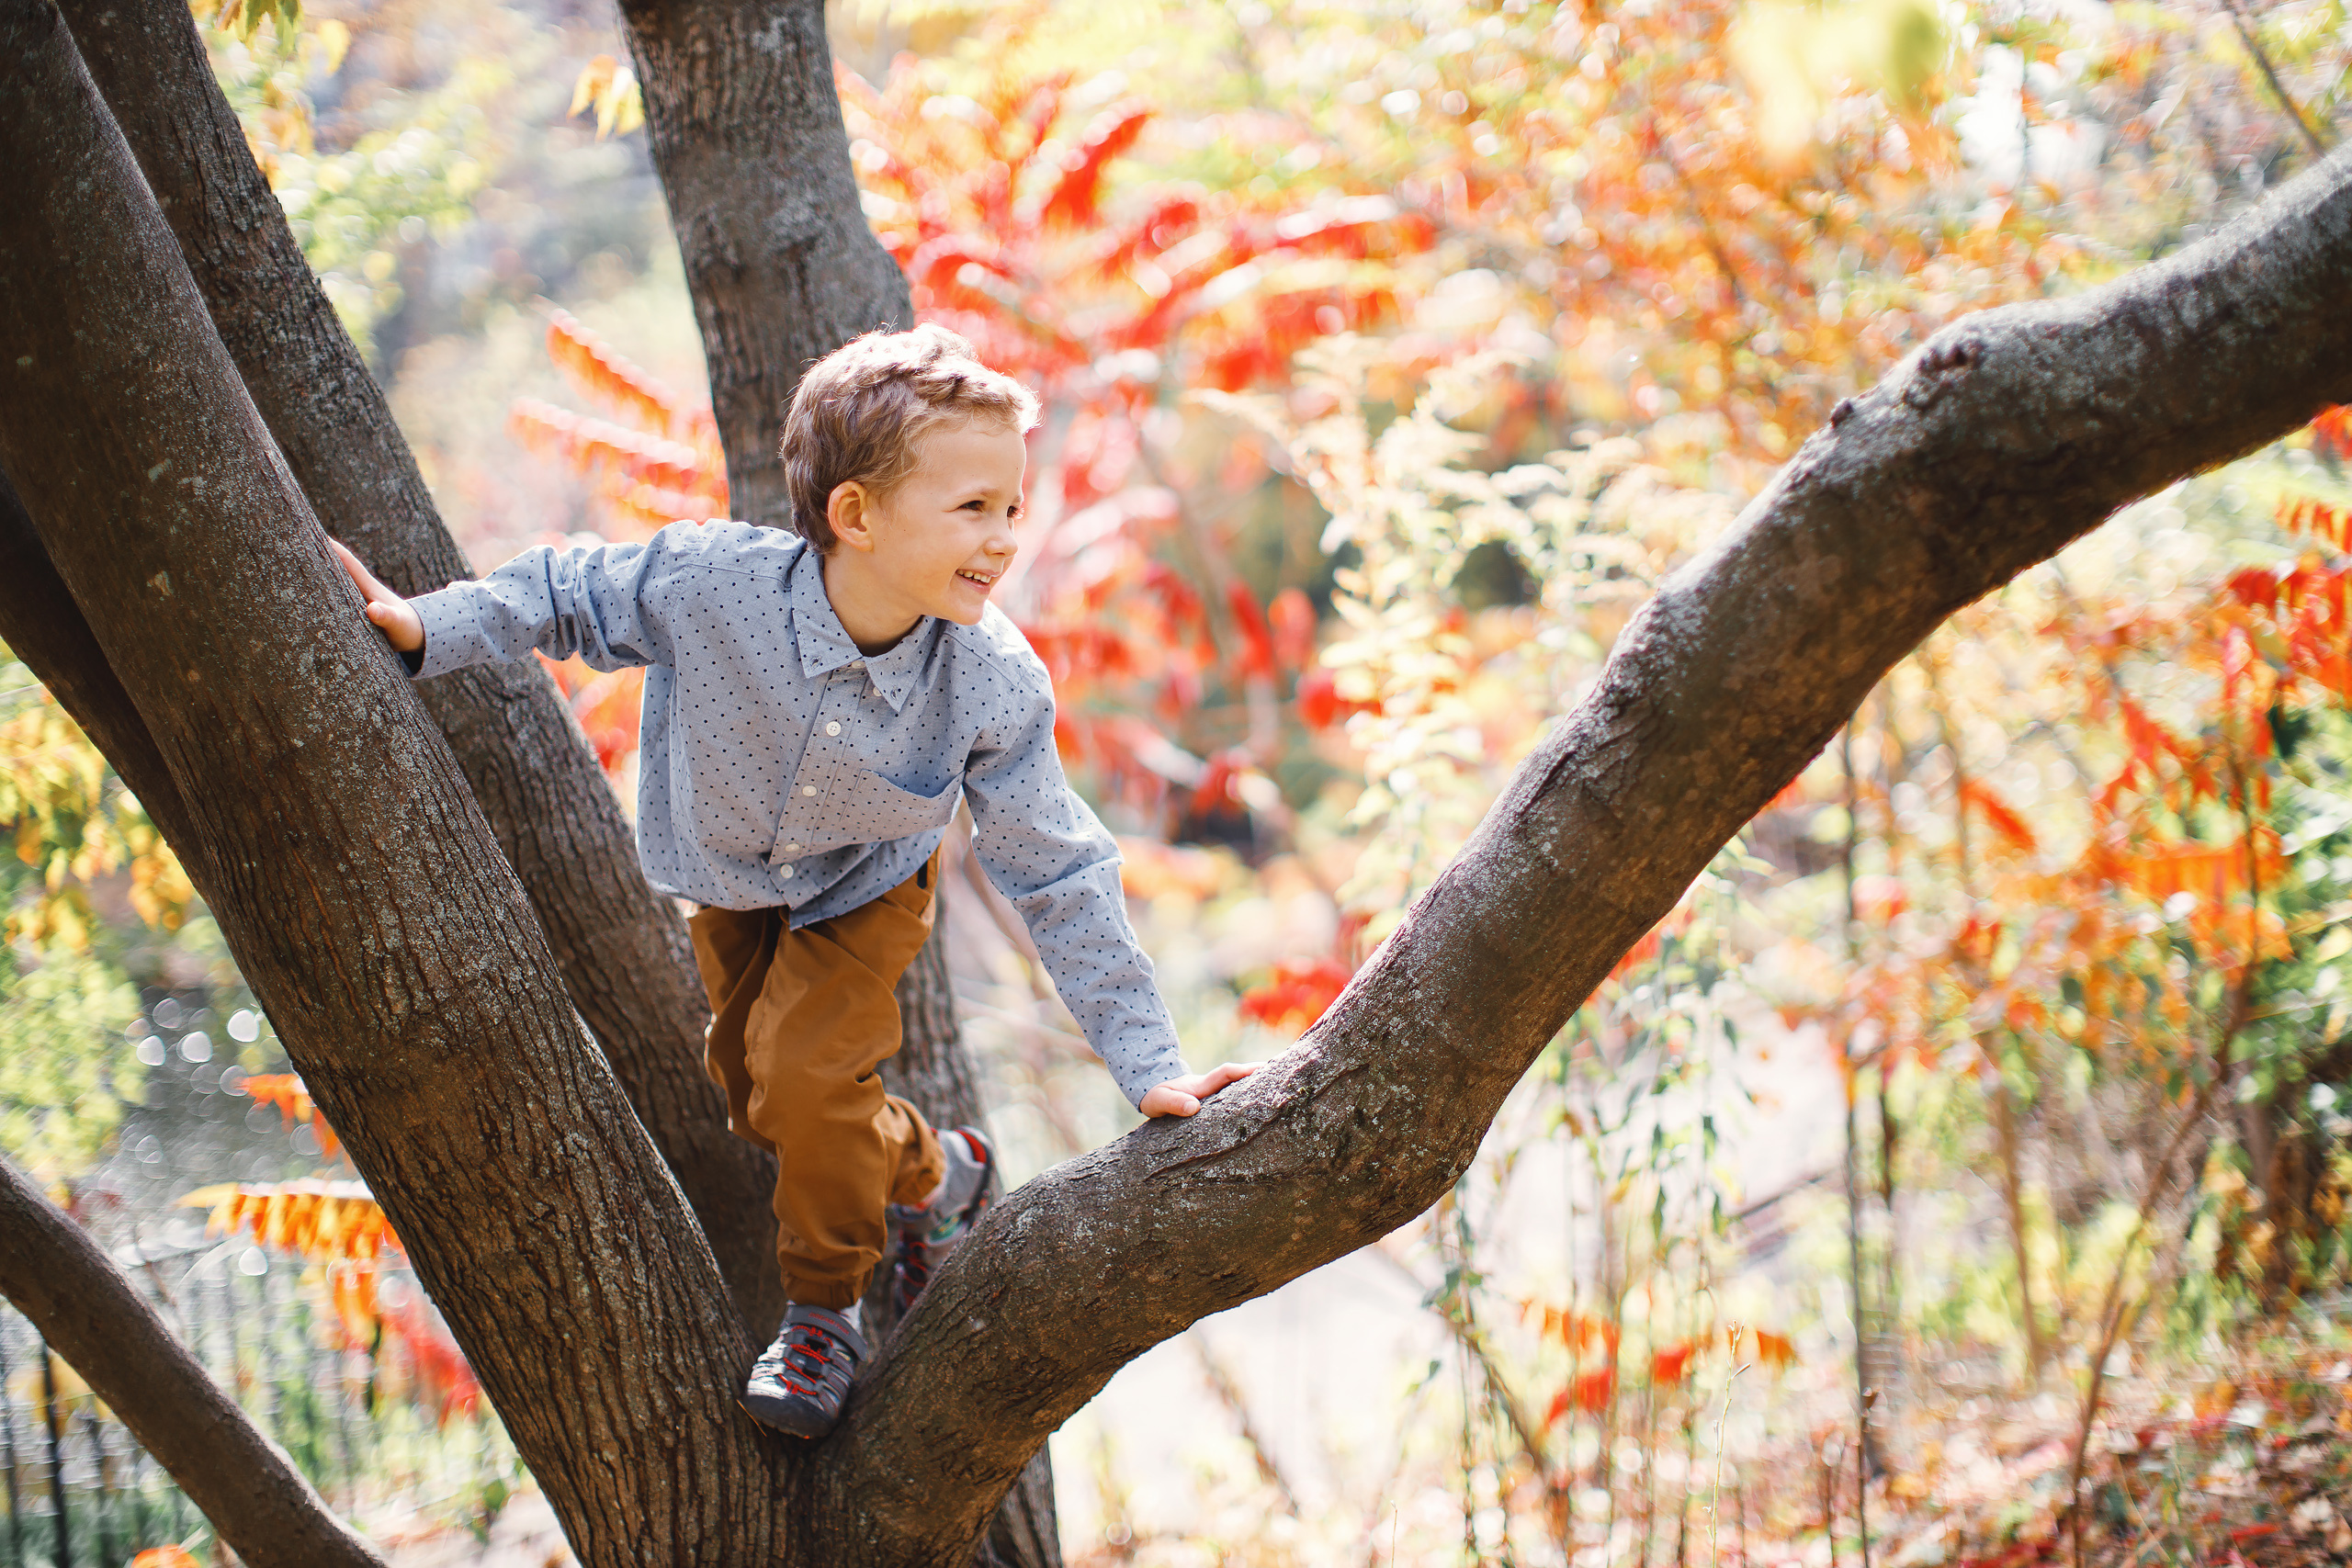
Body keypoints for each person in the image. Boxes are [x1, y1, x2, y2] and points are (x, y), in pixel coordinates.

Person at [331, 323, 1255, 1438]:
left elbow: (1056, 868)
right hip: (724, 883)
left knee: (812, 1086)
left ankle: (824, 1317)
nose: (1006, 538)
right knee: (765, 1101)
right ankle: (937, 1168)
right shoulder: (711, 585)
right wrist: (430, 625)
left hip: (866, 894)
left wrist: (1151, 1064)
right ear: (856, 515)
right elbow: (568, 591)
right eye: (972, 509)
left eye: (1012, 508)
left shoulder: (991, 683)